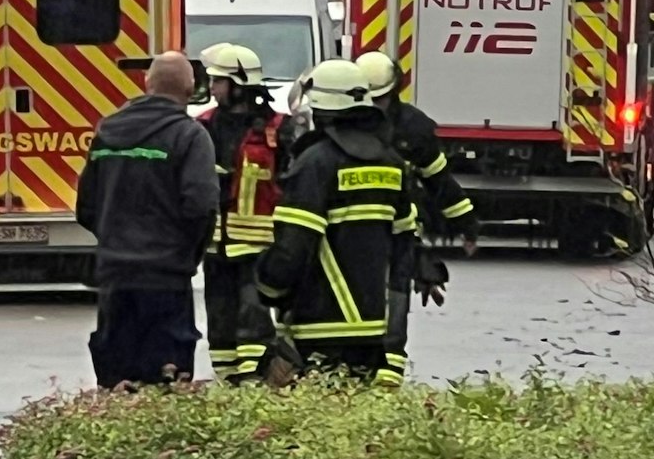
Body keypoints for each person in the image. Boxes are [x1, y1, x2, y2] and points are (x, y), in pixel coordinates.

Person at [255, 59, 427, 387]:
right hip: (373, 329)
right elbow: (403, 246)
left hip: (317, 326)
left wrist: (268, 287)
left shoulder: (315, 164)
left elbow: (293, 247)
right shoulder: (391, 164)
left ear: (320, 109)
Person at [75, 51, 220, 387]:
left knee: (118, 380)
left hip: (115, 277)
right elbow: (201, 206)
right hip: (166, 278)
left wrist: (114, 240)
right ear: (190, 89)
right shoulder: (190, 136)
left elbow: (86, 207)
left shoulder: (108, 131)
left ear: (146, 83)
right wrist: (187, 255)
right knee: (165, 380)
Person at [193, 43, 286, 383]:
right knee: (219, 321)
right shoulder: (203, 126)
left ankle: (254, 384)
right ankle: (227, 385)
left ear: (238, 84)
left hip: (259, 246)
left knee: (254, 319)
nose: (212, 88)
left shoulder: (278, 130)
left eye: (218, 81)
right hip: (217, 245)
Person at [354, 51, 478, 257]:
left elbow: (438, 180)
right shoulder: (340, 125)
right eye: (368, 99)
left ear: (393, 91)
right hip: (349, 233)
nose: (374, 106)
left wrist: (467, 225)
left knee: (395, 288)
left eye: (380, 99)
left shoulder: (413, 128)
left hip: (401, 235)